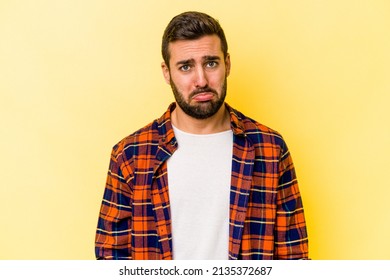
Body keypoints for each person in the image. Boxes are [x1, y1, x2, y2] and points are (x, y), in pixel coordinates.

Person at [95, 11, 308, 260]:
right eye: (186, 66)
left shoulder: (270, 148)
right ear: (167, 72)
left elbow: (294, 259)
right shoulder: (130, 155)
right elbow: (110, 258)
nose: (201, 80)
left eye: (211, 63)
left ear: (227, 64)